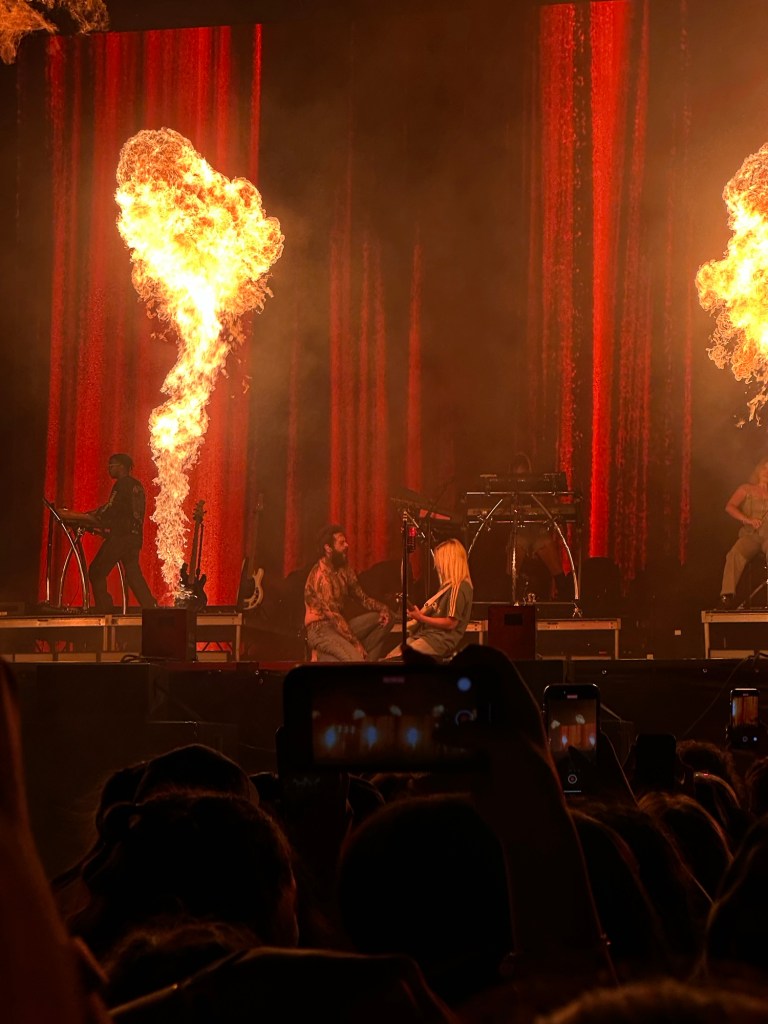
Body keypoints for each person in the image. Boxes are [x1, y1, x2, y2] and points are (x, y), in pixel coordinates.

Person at [304, 525, 392, 661]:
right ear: (328, 548)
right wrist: (356, 644)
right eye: (341, 543)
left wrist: (383, 608)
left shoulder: (344, 569)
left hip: (340, 625)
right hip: (321, 630)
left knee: (387, 619)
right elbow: (334, 616)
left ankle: (358, 661)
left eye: (345, 542)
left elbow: (362, 598)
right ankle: (326, 654)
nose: (347, 545)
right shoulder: (322, 577)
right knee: (356, 659)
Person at [88, 453, 155, 613]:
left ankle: (104, 610)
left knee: (96, 571)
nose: (109, 469)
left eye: (112, 465)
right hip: (135, 537)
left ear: (122, 467)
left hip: (121, 537)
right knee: (133, 575)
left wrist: (93, 515)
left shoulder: (122, 484)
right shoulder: (137, 486)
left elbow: (112, 507)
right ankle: (151, 608)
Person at [384, 538, 473, 659]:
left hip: (437, 640)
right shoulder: (447, 587)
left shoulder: (459, 587)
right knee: (389, 658)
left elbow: (451, 623)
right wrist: (418, 614)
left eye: (440, 560)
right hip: (426, 635)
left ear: (449, 561)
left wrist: (422, 618)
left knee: (397, 660)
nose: (437, 565)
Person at [507, 452, 573, 601]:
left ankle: (566, 600)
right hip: (520, 531)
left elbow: (549, 505)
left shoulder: (538, 485)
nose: (521, 479)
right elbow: (504, 508)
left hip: (538, 530)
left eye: (524, 475)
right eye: (518, 475)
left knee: (556, 567)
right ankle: (511, 598)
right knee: (512, 567)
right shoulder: (509, 489)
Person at [719, 457, 768, 608]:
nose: (766, 472)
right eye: (765, 468)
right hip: (751, 535)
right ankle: (727, 595)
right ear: (759, 470)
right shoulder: (746, 489)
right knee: (734, 554)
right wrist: (748, 519)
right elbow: (730, 507)